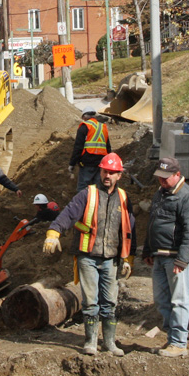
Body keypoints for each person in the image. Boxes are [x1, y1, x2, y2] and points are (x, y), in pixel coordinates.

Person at [43, 153, 135, 357]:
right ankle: (91, 341)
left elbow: (129, 230)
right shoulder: (88, 194)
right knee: (91, 301)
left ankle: (109, 342)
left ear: (119, 175)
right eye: (105, 171)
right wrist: (54, 232)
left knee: (110, 302)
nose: (107, 176)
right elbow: (69, 213)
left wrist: (128, 258)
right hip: (88, 255)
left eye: (112, 172)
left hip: (111, 258)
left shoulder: (123, 198)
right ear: (100, 172)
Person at [142, 156, 189, 359]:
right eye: (160, 177)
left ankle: (178, 342)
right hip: (160, 255)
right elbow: (153, 222)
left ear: (177, 174)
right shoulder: (160, 193)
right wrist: (148, 249)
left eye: (166, 178)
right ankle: (172, 337)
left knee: (179, 299)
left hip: (175, 257)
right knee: (161, 300)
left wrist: (183, 259)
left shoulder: (187, 196)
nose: (162, 181)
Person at [69, 110, 111, 192]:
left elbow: (78, 147)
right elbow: (108, 147)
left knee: (83, 188)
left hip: (87, 162)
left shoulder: (84, 126)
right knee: (99, 188)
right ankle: (98, 204)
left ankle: (83, 204)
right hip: (101, 162)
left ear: (84, 117)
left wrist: (72, 163)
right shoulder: (102, 127)